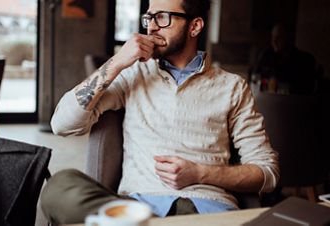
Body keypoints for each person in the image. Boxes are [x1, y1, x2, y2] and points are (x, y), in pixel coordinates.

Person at [41, 0, 279, 224]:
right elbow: (62, 124)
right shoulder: (133, 74)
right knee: (60, 185)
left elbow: (267, 173)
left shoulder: (232, 87)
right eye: (150, 17)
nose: (152, 26)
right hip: (138, 209)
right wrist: (118, 61)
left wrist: (200, 173)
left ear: (194, 26)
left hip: (206, 210)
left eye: (163, 17)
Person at [251, 23, 318, 94]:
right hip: (268, 98)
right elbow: (255, 76)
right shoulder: (266, 55)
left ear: (287, 38)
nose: (274, 41)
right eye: (273, 37)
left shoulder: (303, 59)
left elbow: (306, 87)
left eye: (279, 37)